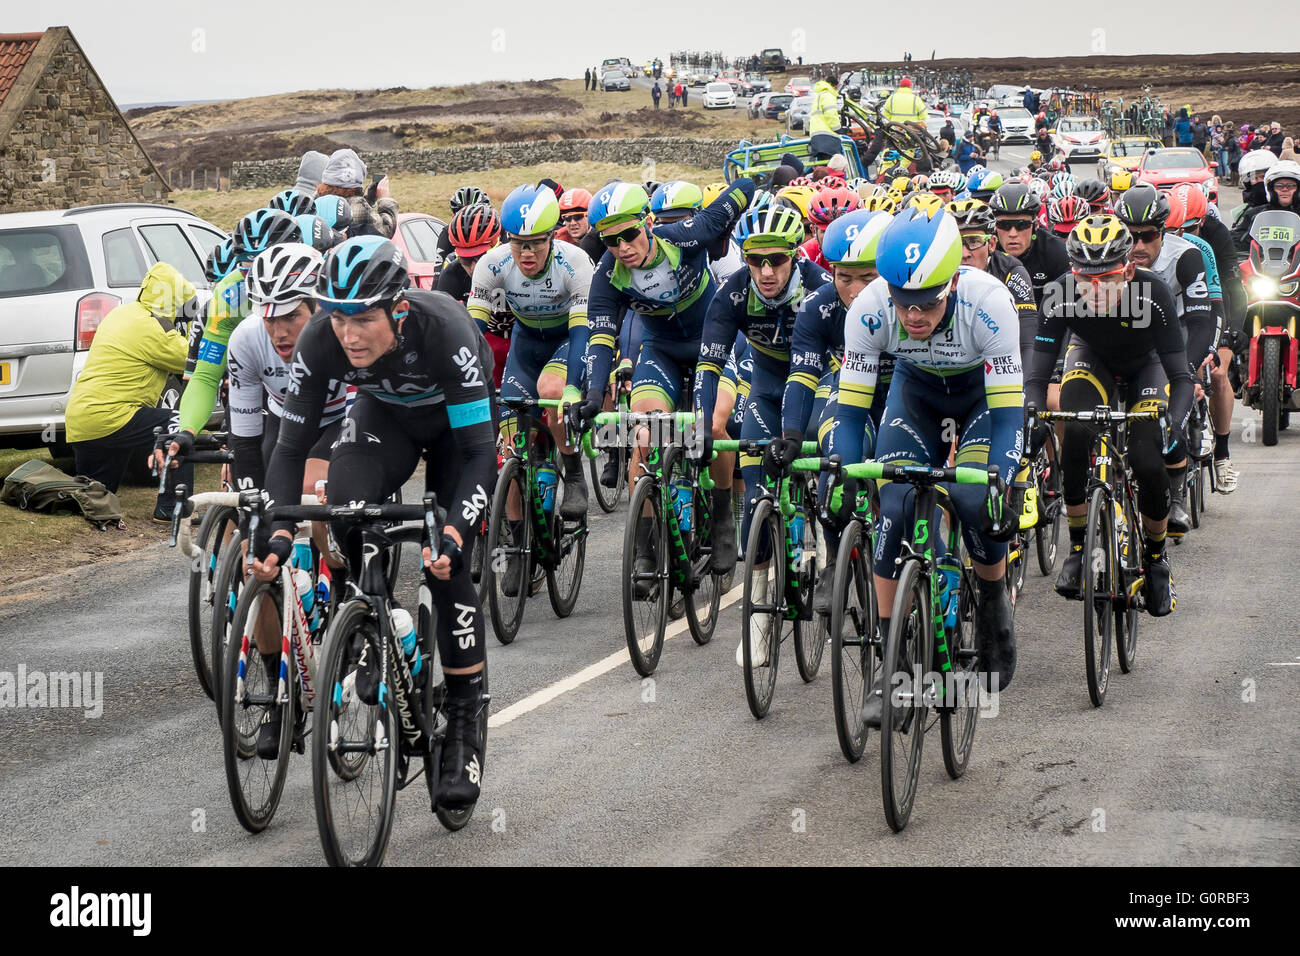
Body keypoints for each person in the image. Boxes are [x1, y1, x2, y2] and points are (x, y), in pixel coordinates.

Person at [253, 236, 495, 811]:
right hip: (386, 418)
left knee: (444, 557)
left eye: (361, 318)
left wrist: (457, 533)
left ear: (399, 309)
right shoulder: (321, 339)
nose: (348, 334)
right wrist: (279, 533)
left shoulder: (445, 330)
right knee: (346, 507)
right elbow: (288, 450)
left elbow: (482, 455)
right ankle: (374, 623)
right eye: (337, 318)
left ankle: (461, 717)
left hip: (457, 432)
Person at [834, 207, 1024, 715]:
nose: (913, 316)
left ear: (953, 282)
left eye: (928, 304)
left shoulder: (990, 303)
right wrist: (849, 479)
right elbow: (851, 416)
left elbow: (1009, 419)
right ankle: (889, 665)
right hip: (915, 395)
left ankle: (992, 601)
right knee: (893, 507)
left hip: (981, 399)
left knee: (973, 497)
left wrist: (1002, 482)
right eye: (904, 303)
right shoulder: (869, 309)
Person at [577, 178, 755, 576]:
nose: (622, 247)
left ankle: (724, 517)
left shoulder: (686, 236)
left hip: (715, 341)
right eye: (610, 241)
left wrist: (746, 186)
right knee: (643, 434)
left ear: (648, 222)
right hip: (661, 350)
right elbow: (601, 337)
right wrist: (592, 394)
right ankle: (644, 548)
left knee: (715, 424)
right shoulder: (608, 275)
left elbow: (741, 190)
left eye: (629, 234)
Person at [1032, 216, 1190, 618]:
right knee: (1075, 431)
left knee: (1147, 459)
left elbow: (1181, 376)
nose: (1097, 289)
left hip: (1146, 367)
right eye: (1087, 280)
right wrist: (1032, 412)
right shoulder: (1059, 293)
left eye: (1110, 279)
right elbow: (1037, 374)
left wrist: (1173, 419)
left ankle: (1156, 560)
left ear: (1130, 269)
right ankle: (1079, 548)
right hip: (1092, 359)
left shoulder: (1153, 292)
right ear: (1072, 272)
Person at [693, 205, 831, 664]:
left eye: (777, 259)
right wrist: (700, 424)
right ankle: (756, 621)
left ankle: (829, 544)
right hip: (769, 394)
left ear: (796, 254)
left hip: (822, 389)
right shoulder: (733, 293)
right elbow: (709, 365)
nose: (766, 271)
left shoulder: (818, 290)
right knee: (755, 501)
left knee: (831, 470)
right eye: (755, 261)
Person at [781, 208, 893, 611]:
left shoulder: (907, 302)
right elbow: (802, 375)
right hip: (851, 389)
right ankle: (834, 559)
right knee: (836, 470)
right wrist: (791, 433)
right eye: (844, 278)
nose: (856, 289)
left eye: (868, 277)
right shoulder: (818, 308)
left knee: (902, 490)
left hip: (906, 392)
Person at [467, 184, 593, 526]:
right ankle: (519, 539)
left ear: (552, 236)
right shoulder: (492, 264)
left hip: (566, 340)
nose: (526, 252)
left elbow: (583, 331)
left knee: (552, 391)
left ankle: (573, 471)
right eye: (518, 242)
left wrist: (573, 388)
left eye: (537, 242)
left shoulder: (575, 262)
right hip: (526, 347)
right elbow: (472, 334)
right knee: (511, 447)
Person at [1114, 184, 1223, 537]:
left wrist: (1189, 373)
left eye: (1148, 236)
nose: (1139, 246)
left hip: (1176, 335)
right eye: (1130, 237)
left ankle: (1175, 494)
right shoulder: (1108, 256)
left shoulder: (1185, 256)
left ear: (1163, 231)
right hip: (1131, 337)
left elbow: (1200, 319)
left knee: (1172, 404)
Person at [65, 262, 196, 520]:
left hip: (83, 421)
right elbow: (193, 361)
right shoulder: (153, 329)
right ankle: (171, 508)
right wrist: (191, 325)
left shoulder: (120, 314)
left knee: (97, 497)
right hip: (112, 417)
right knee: (181, 424)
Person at [1166, 183, 1241, 492]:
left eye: (1191, 226)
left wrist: (1227, 335)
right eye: (1176, 227)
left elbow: (1228, 291)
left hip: (1212, 307)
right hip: (1172, 314)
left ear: (1202, 218)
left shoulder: (1210, 240)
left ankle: (1222, 455)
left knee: (1218, 372)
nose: (1183, 233)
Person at [437, 204, 508, 388]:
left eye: (482, 256)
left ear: (497, 244)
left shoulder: (516, 263)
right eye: (466, 260)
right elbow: (439, 327)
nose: (474, 268)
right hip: (485, 344)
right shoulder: (453, 273)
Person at [316, 148, 398, 239]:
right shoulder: (356, 203)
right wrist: (385, 199)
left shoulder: (315, 198)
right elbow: (385, 231)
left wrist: (370, 200)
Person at [860, 76, 927, 172]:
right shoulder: (915, 99)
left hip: (895, 131)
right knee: (912, 151)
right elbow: (924, 116)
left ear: (900, 86)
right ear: (910, 87)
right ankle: (907, 168)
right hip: (911, 131)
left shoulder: (892, 98)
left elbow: (885, 116)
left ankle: (884, 171)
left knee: (889, 151)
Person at [1233, 157, 1297, 252]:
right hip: (1261, 264)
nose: (1285, 189)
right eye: (1279, 186)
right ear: (1271, 189)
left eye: (1291, 185)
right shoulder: (1254, 214)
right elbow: (1236, 242)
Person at [435, 185, 490, 267]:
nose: (469, 221)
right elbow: (438, 269)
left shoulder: (497, 229)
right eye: (463, 215)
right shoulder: (447, 232)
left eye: (475, 215)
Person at [808, 73, 842, 162]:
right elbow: (830, 114)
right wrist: (838, 129)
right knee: (833, 164)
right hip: (827, 136)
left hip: (817, 135)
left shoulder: (820, 95)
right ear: (833, 86)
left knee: (822, 165)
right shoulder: (828, 95)